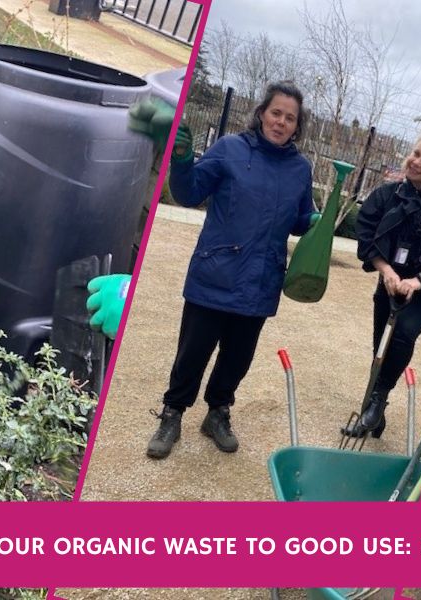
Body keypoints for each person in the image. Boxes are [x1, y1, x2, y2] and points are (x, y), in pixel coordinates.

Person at [140, 81, 319, 459]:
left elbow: (299, 220)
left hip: (261, 281)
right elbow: (189, 194)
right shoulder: (230, 150)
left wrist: (315, 220)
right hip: (215, 273)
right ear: (261, 113)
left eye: (290, 118)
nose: (281, 122)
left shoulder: (301, 170)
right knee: (193, 352)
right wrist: (184, 159)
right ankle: (172, 412)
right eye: (276, 113)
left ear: (296, 126)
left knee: (238, 357)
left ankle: (217, 413)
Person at [342, 128, 421, 438]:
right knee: (380, 343)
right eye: (415, 154)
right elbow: (367, 235)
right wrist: (386, 270)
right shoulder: (386, 195)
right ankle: (376, 414)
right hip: (393, 278)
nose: (417, 163)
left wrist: (420, 279)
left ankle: (378, 400)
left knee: (404, 330)